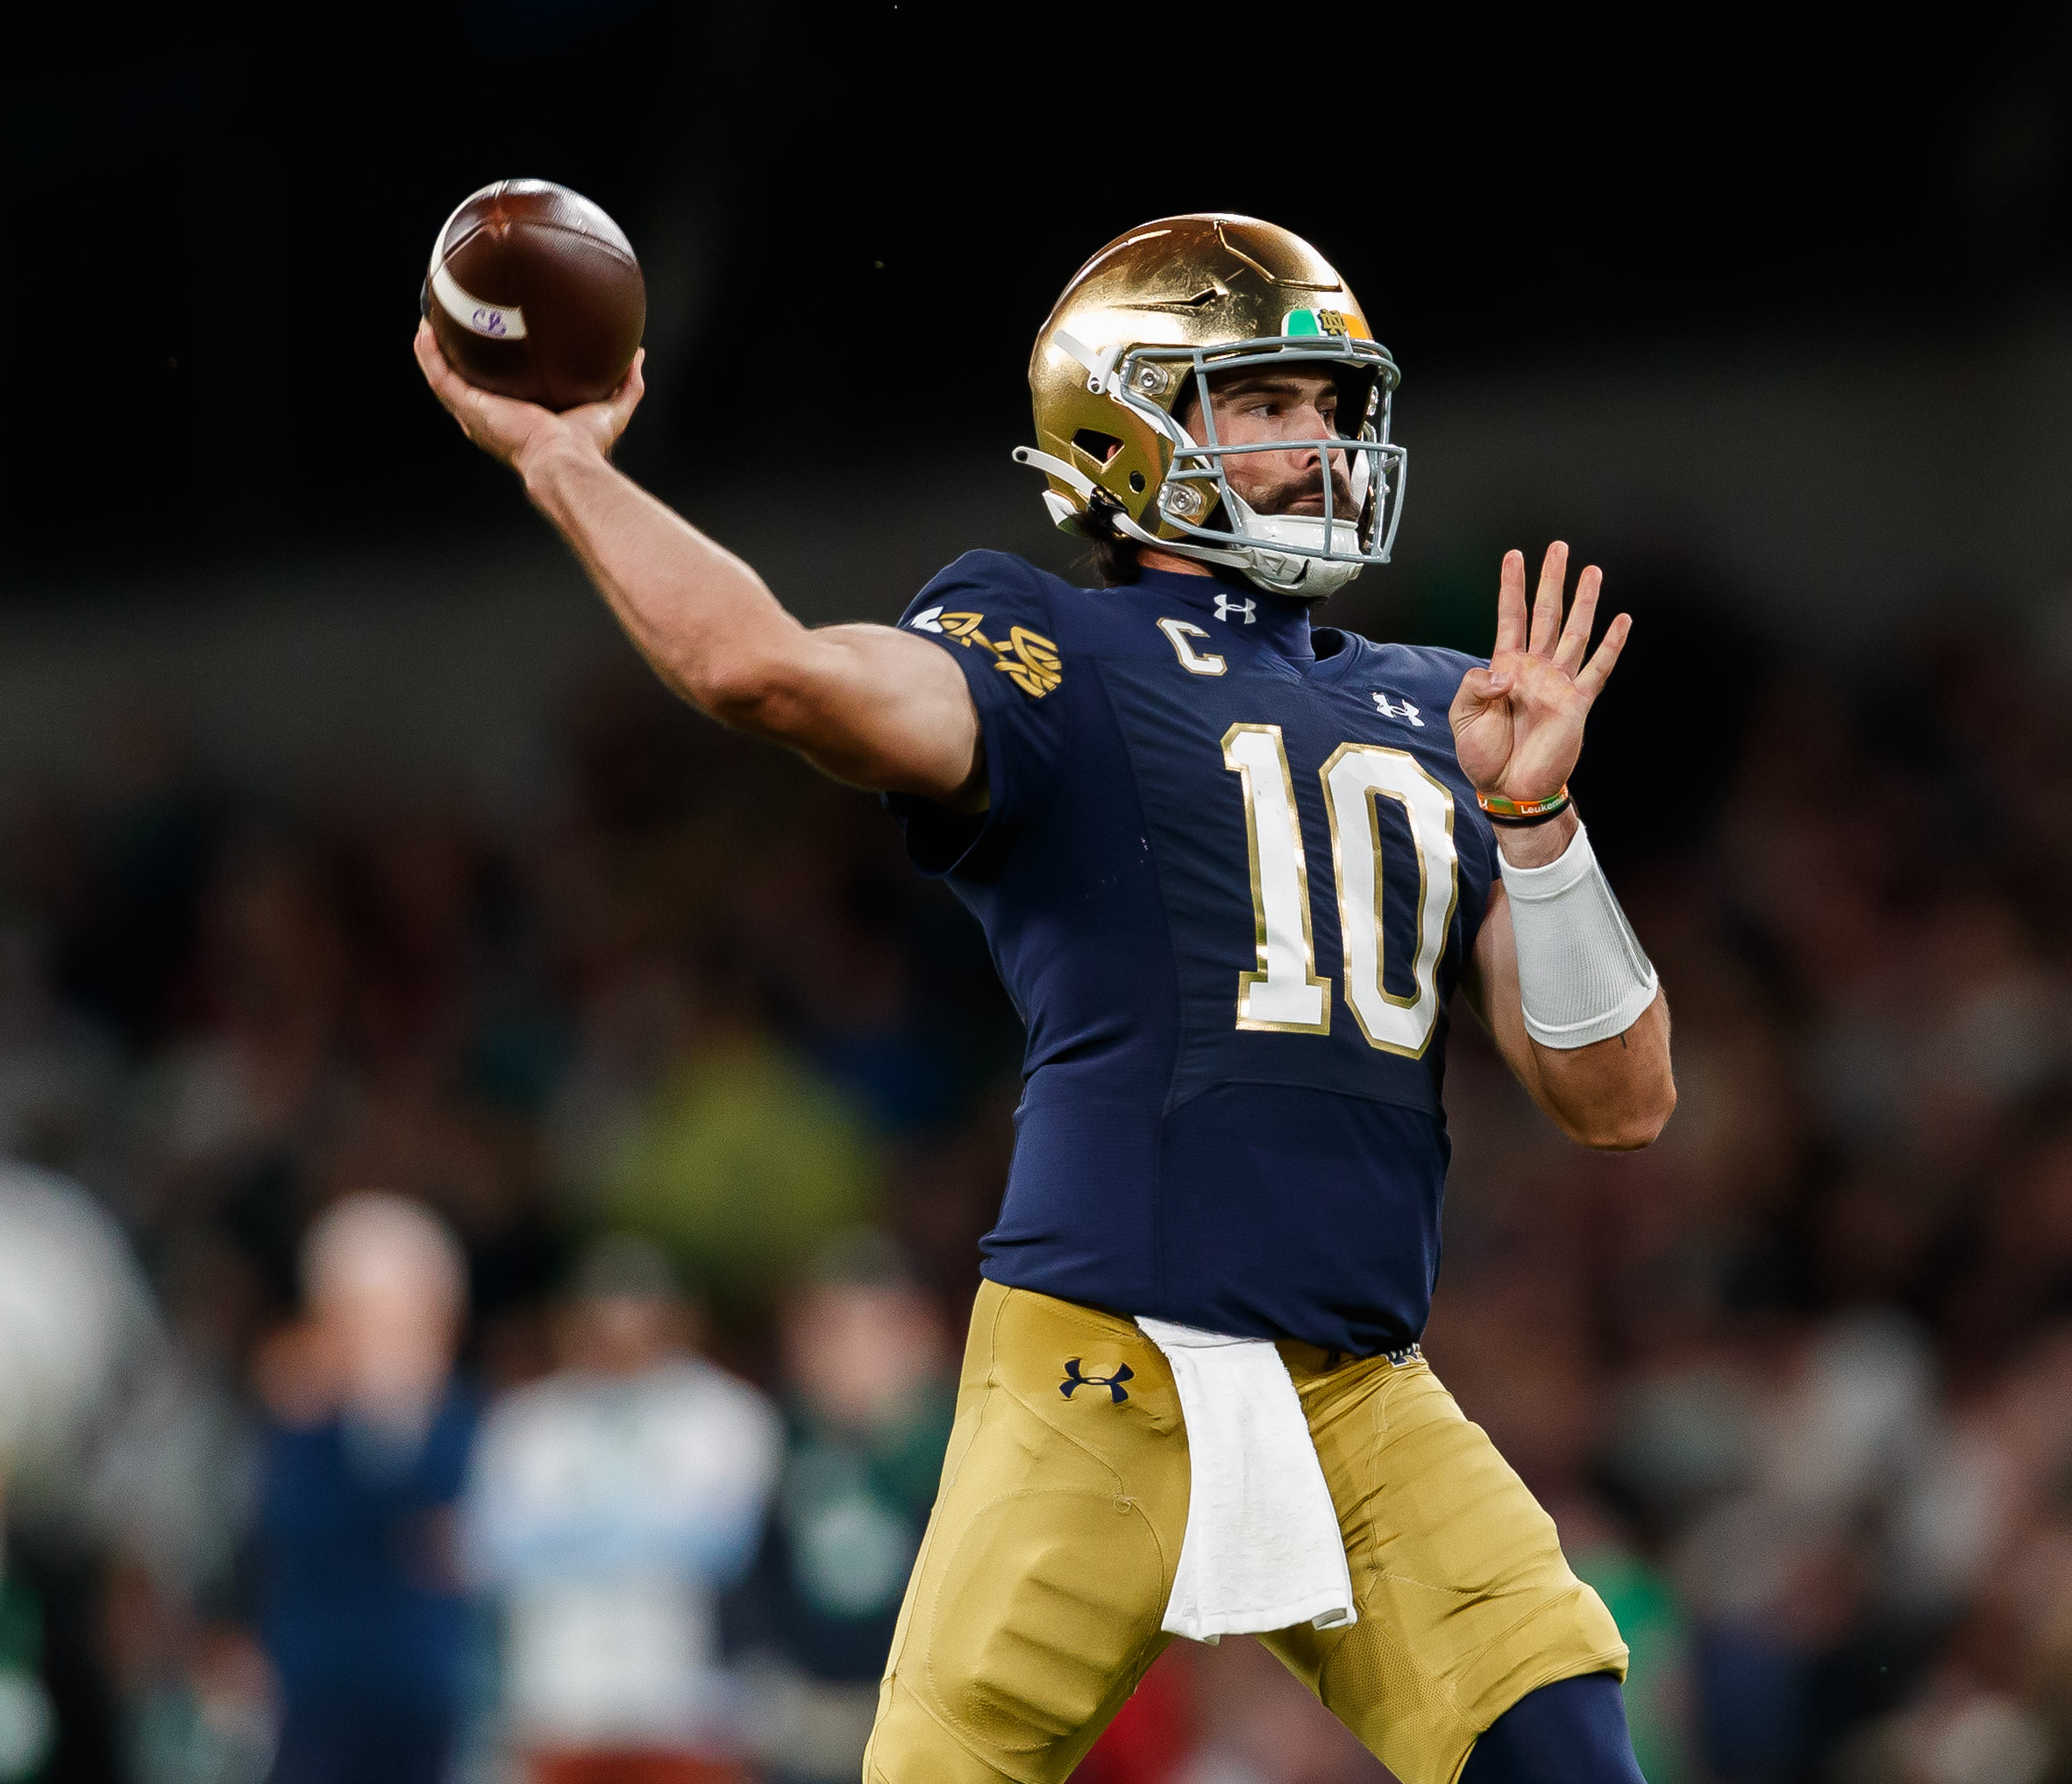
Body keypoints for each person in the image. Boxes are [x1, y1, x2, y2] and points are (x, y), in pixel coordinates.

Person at [416, 212, 1677, 1784]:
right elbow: (766, 669)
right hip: (1102, 1369)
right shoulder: (1053, 644)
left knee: (1565, 1744)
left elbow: (1617, 1099)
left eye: (1329, 407)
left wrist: (1539, 829)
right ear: (1127, 426)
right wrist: (564, 461)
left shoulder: (1440, 704)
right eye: (1267, 403)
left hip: (1361, 1389)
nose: (1319, 443)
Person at [461, 1236, 779, 1784]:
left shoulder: (728, 1415)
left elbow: (726, 1549)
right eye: (602, 1310)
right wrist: (647, 1526)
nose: (621, 1327)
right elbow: (491, 1554)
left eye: (639, 1308)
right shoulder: (524, 1423)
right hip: (557, 1707)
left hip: (690, 1709)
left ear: (678, 1318)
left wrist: (569, 1533)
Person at [252, 1194, 480, 1784]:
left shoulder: (463, 1425)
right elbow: (292, 1529)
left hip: (427, 1687)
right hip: (320, 1688)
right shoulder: (300, 1427)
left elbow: (463, 1539)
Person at [724, 1233, 952, 1784]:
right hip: (809, 1728)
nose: (842, 1356)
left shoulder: (958, 1447)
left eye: (866, 1334)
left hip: (931, 1729)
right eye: (823, 1335)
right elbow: (752, 1579)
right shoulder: (782, 1443)